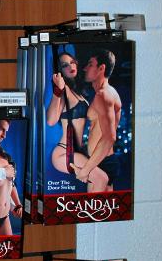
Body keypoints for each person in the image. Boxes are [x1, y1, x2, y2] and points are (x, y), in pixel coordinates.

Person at [45, 50, 108, 191]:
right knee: (102, 179)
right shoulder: (64, 91)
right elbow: (50, 121)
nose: (70, 66)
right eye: (65, 65)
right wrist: (57, 90)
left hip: (78, 152)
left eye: (72, 62)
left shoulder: (78, 92)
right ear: (60, 71)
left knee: (96, 185)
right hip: (64, 153)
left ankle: (92, 206)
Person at [70, 50, 122, 189]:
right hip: (103, 161)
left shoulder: (103, 95)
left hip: (100, 162)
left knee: (94, 204)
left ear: (101, 68)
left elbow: (109, 137)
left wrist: (85, 171)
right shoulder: (109, 93)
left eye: (90, 64)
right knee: (104, 203)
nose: (85, 68)